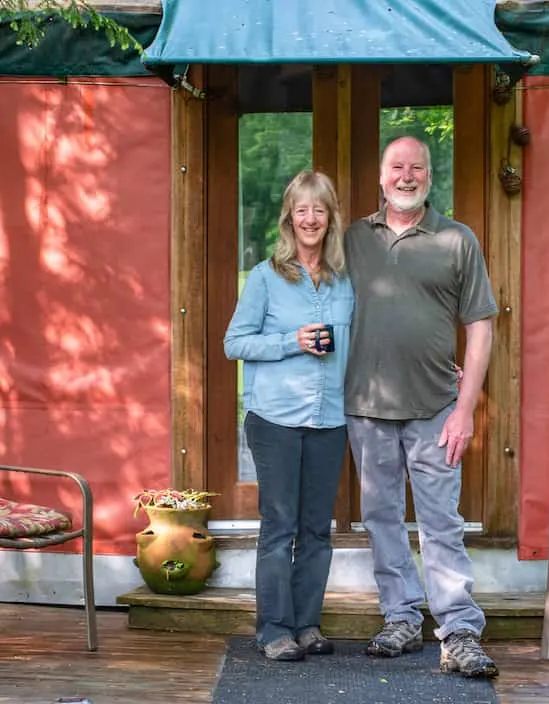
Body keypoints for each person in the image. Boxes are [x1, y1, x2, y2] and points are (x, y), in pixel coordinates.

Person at [344, 136, 499, 678]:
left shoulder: (457, 240)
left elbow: (480, 326)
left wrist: (466, 407)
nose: (406, 176)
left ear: (430, 176)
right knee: (381, 518)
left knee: (440, 523)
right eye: (396, 166)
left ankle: (458, 631)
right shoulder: (354, 239)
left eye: (417, 167)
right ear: (380, 176)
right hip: (366, 407)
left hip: (436, 408)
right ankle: (401, 618)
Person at [223, 170, 354, 662]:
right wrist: (290, 342)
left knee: (317, 528)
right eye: (302, 209)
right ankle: (274, 628)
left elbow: (360, 344)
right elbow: (234, 343)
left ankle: (307, 624)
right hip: (275, 419)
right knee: (280, 526)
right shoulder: (264, 278)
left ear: (330, 218)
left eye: (319, 209)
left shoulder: (344, 284)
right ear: (289, 218)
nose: (311, 218)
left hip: (329, 418)